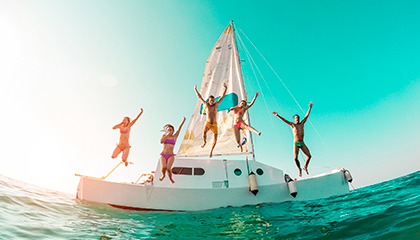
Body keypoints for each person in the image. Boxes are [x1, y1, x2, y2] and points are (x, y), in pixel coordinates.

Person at [272, 102, 313, 177]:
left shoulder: (302, 123)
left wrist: (310, 108)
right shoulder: (292, 125)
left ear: (299, 119)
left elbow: (307, 116)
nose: (297, 119)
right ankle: (299, 169)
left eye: (298, 118)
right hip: (296, 143)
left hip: (302, 143)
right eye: (295, 118)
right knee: (295, 158)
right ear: (294, 119)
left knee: (309, 156)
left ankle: (305, 167)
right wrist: (277, 115)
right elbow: (284, 120)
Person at [194, 83, 228, 158]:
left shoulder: (216, 104)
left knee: (215, 139)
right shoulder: (206, 104)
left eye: (213, 100)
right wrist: (195, 90)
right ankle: (204, 142)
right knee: (204, 132)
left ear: (214, 100)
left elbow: (222, 97)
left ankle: (211, 150)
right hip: (208, 123)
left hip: (214, 124)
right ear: (209, 100)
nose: (212, 101)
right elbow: (200, 97)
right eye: (210, 100)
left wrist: (225, 88)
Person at [159, 116, 186, 184]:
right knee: (164, 168)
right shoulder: (164, 136)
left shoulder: (175, 136)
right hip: (163, 154)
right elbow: (161, 141)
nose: (169, 131)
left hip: (171, 155)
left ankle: (170, 178)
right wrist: (167, 135)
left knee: (168, 168)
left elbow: (179, 128)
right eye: (168, 130)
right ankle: (163, 175)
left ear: (173, 130)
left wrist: (183, 120)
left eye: (170, 130)